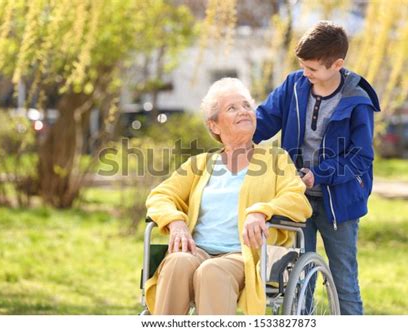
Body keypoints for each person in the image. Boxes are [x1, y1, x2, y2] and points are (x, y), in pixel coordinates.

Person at [144, 77, 312, 315]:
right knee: (176, 262)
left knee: (212, 271)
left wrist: (261, 211)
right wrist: (175, 221)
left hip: (245, 255)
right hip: (198, 249)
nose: (243, 112)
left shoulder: (276, 160)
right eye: (232, 108)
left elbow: (297, 198)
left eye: (246, 105)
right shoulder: (201, 164)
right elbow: (160, 195)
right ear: (214, 125)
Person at [254, 21, 381, 315]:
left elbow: (360, 158)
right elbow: (265, 120)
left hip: (339, 204)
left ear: (336, 64)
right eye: (302, 66)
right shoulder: (294, 85)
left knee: (344, 282)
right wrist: (235, 130)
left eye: (312, 69)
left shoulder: (357, 101)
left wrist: (319, 174)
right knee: (294, 283)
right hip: (296, 198)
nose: (306, 74)